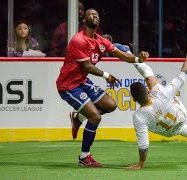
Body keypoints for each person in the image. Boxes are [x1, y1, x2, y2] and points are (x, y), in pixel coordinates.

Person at [56, 8, 150, 167]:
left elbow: (121, 54)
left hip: (82, 82)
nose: (95, 16)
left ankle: (78, 118)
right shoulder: (78, 40)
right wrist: (107, 76)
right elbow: (87, 66)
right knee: (95, 117)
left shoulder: (101, 41)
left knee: (111, 105)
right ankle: (84, 157)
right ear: (84, 20)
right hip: (68, 85)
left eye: (97, 15)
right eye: (91, 14)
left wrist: (137, 58)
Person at [126, 43, 187, 170]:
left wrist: (140, 164)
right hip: (181, 116)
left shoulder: (138, 116)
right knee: (155, 84)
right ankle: (130, 56)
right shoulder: (161, 93)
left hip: (168, 131)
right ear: (147, 91)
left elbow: (143, 145)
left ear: (134, 100)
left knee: (169, 118)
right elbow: (183, 74)